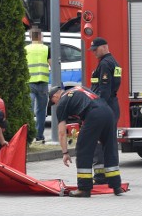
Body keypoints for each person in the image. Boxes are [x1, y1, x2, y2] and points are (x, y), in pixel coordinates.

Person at [50, 85, 123, 197]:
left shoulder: (62, 102)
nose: (55, 105)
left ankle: (84, 188)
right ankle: (116, 186)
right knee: (110, 148)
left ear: (55, 95)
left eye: (53, 101)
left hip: (94, 114)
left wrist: (65, 153)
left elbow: (61, 132)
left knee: (83, 149)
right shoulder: (78, 89)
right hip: (108, 112)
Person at [89, 37, 121, 184]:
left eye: (96, 49)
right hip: (112, 105)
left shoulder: (105, 64)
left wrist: (99, 109)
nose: (94, 52)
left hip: (105, 106)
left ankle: (101, 176)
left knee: (99, 141)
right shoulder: (113, 61)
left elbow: (104, 91)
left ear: (104, 47)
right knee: (109, 141)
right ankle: (112, 175)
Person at [25, 26, 50, 143]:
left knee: (29, 110)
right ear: (40, 36)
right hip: (43, 83)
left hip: (29, 83)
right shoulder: (46, 48)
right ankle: (39, 135)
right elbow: (51, 64)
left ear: (30, 37)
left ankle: (28, 136)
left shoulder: (26, 49)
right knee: (41, 111)